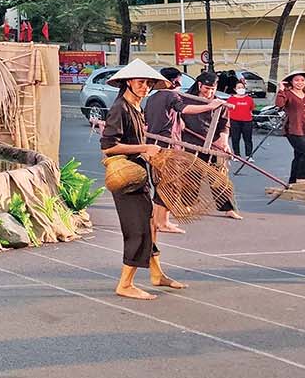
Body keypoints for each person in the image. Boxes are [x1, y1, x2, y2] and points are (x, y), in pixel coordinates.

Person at [100, 60, 186, 300]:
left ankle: (156, 275)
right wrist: (145, 146)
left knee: (150, 226)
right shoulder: (120, 108)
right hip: (125, 178)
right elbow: (108, 147)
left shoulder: (136, 107)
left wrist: (149, 153)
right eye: (140, 82)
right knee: (137, 230)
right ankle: (125, 284)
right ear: (128, 82)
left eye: (148, 83)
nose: (145, 87)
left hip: (139, 175)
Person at [143, 66, 226, 234]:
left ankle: (160, 221)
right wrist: (211, 106)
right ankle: (162, 222)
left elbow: (165, 119)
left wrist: (179, 123)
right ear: (174, 82)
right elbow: (186, 109)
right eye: (179, 81)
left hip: (153, 145)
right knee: (170, 185)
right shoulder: (172, 95)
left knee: (161, 184)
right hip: (167, 147)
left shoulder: (153, 98)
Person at [180, 71, 242, 219]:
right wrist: (179, 121)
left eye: (212, 89)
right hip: (191, 143)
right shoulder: (186, 100)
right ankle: (187, 205)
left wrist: (224, 139)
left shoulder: (220, 102)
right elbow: (175, 114)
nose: (209, 92)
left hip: (213, 144)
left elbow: (224, 125)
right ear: (200, 85)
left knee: (220, 177)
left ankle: (228, 208)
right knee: (192, 176)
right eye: (207, 89)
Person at [223, 75, 256, 159]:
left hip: (247, 121)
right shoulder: (231, 99)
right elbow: (228, 111)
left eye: (242, 87)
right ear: (235, 89)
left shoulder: (249, 99)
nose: (240, 89)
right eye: (238, 87)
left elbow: (251, 109)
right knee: (235, 138)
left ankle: (249, 155)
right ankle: (236, 155)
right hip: (235, 121)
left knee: (248, 139)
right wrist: (228, 122)